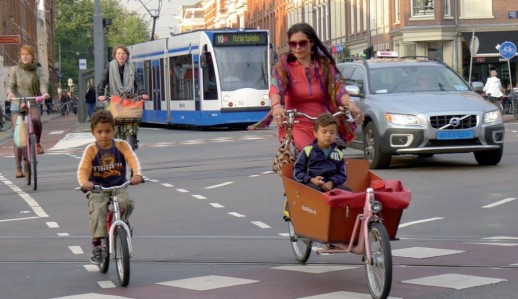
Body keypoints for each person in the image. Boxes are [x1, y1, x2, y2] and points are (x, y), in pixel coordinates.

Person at [250, 23, 363, 151]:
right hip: (295, 124)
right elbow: (276, 87)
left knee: (334, 158)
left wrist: (350, 104)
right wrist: (276, 106)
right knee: (308, 151)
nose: (298, 47)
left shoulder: (324, 66)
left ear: (311, 42)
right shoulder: (284, 65)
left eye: (302, 43)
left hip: (322, 124)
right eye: (293, 44)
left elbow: (338, 88)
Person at [77, 110, 143, 264]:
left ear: (114, 130)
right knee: (97, 210)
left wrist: (137, 175)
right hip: (98, 188)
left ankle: (124, 222)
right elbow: (83, 169)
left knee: (125, 202)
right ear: (93, 133)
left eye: (107, 131)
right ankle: (97, 244)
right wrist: (85, 183)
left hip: (119, 185)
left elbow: (132, 159)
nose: (104, 135)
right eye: (99, 132)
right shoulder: (91, 150)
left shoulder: (121, 145)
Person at [6, 44, 50, 178]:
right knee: (18, 136)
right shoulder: (15, 69)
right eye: (22, 54)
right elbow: (11, 85)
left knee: (36, 119)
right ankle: (19, 167)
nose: (25, 56)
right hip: (17, 102)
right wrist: (10, 94)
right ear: (20, 56)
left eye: (27, 54)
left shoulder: (38, 69)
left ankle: (36, 143)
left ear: (32, 56)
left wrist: (44, 93)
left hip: (33, 101)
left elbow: (43, 83)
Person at [293, 113, 351, 192]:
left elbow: (342, 175)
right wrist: (311, 179)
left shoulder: (338, 153)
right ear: (315, 133)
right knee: (315, 191)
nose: (328, 135)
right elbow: (297, 171)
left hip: (331, 185)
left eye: (332, 132)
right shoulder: (308, 151)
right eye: (324, 132)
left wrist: (331, 182)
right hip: (312, 184)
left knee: (347, 191)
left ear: (336, 134)